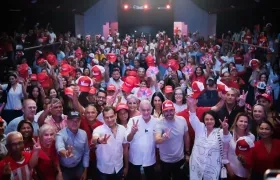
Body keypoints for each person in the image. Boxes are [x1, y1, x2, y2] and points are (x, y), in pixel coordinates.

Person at [187, 97, 230, 180]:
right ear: (203, 120)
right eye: (206, 119)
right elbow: (192, 117)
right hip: (196, 166)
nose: (209, 121)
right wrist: (191, 105)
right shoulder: (200, 128)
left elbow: (227, 139)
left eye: (211, 119)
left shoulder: (219, 132)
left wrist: (225, 129)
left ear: (215, 120)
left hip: (212, 169)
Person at [155, 100, 190, 180]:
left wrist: (187, 152)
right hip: (165, 161)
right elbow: (157, 139)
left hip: (180, 159)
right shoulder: (159, 123)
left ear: (174, 110)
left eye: (171, 110)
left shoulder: (182, 120)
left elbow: (186, 136)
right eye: (166, 111)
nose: (169, 113)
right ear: (163, 112)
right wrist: (163, 138)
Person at [92, 106, 129, 180]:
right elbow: (94, 139)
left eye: (111, 116)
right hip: (104, 171)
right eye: (106, 117)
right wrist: (99, 140)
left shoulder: (122, 129)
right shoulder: (98, 130)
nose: (109, 120)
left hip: (119, 168)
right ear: (103, 118)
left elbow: (125, 149)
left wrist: (126, 167)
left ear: (115, 115)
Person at [126, 100, 159, 180]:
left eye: (148, 110)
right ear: (139, 110)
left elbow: (158, 144)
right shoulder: (133, 120)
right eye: (143, 110)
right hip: (135, 160)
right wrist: (132, 132)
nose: (146, 112)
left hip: (150, 160)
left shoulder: (157, 121)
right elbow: (128, 139)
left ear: (151, 109)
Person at [55, 111, 89, 180]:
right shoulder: (60, 135)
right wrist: (66, 153)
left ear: (80, 122)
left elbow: (86, 152)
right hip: (64, 168)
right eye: (71, 120)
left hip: (79, 166)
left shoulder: (83, 134)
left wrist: (85, 171)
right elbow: (59, 148)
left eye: (77, 120)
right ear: (67, 121)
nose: (74, 123)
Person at [223, 112, 255, 180]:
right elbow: (224, 153)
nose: (243, 123)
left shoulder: (251, 137)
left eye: (245, 122)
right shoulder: (229, 135)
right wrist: (229, 170)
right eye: (241, 121)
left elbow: (252, 156)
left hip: (245, 173)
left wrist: (250, 172)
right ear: (236, 122)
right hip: (231, 171)